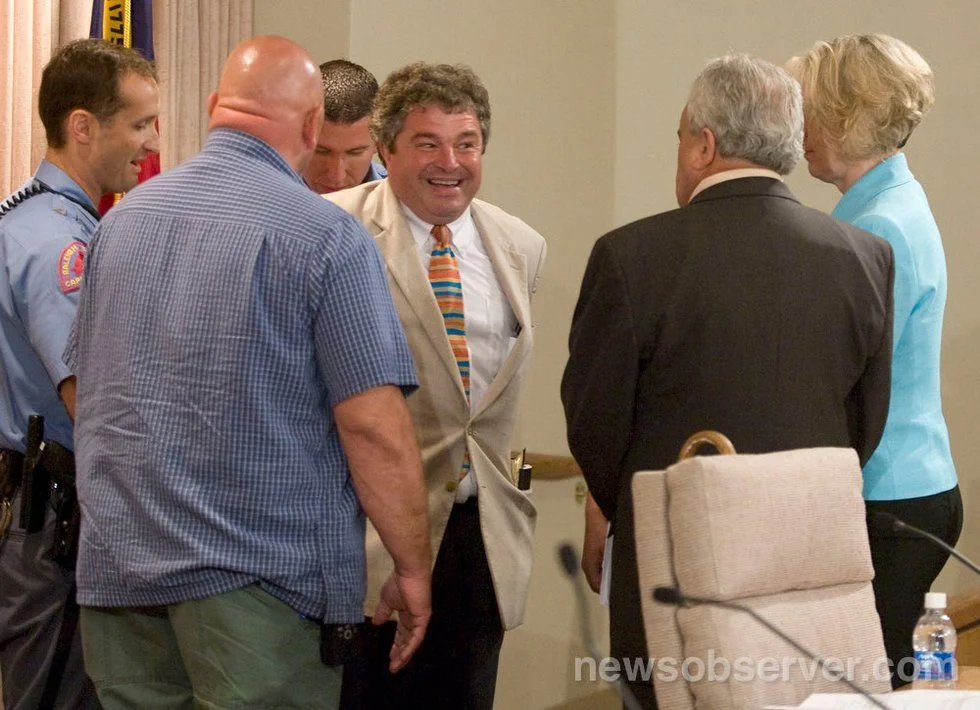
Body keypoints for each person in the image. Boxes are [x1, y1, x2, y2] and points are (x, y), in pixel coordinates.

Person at [65, 36, 432, 709]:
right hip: (257, 588)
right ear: (311, 125)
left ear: (213, 108)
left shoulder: (118, 227)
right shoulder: (324, 236)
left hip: (120, 572)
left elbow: (89, 393)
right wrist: (412, 566)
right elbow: (373, 427)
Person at [561, 54, 895, 709]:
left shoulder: (630, 258)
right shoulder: (864, 257)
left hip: (676, 565)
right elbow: (866, 422)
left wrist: (641, 504)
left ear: (703, 145)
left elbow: (593, 423)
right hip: (808, 574)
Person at [327, 61, 547, 710]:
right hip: (366, 537)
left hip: (480, 538)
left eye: (467, 143)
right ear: (385, 147)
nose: (450, 162)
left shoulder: (520, 244)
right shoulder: (333, 230)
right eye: (427, 143)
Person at [789, 34, 962, 687]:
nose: (798, 129)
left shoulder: (878, 224)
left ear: (850, 116)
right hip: (906, 487)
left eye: (810, 110)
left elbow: (850, 378)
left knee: (866, 691)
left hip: (891, 496)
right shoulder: (884, 206)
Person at [0, 38, 159, 710]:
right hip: (58, 519)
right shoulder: (62, 246)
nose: (151, 144)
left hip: (50, 512)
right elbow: (94, 398)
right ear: (83, 126)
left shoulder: (37, 218)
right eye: (140, 123)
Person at [303, 59, 387, 193]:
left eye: (355, 153)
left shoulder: (406, 200)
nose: (337, 176)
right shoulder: (265, 196)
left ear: (379, 142)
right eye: (321, 151)